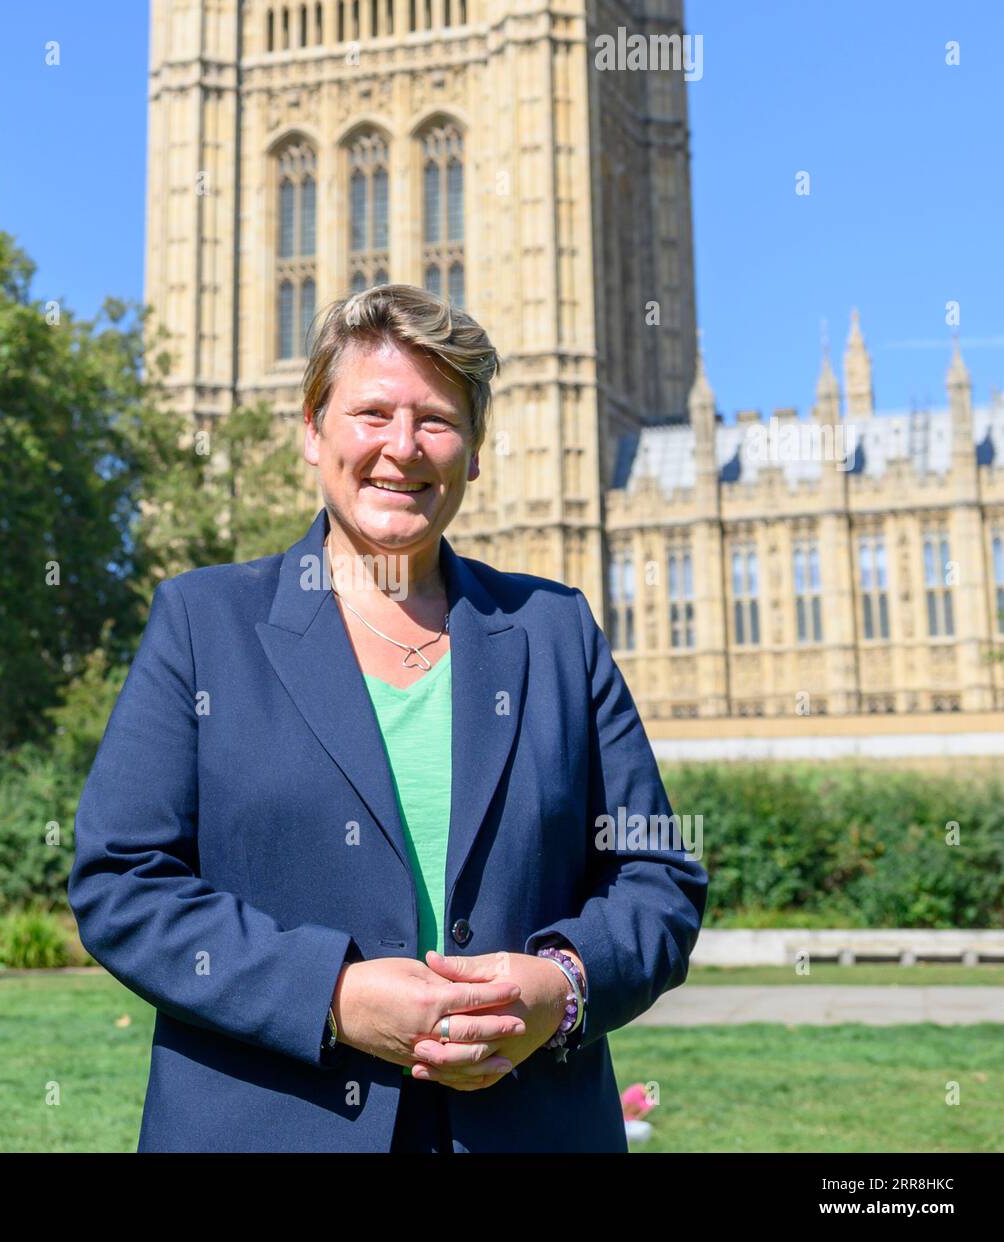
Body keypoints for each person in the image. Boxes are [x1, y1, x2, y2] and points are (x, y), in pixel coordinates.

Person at [69, 283, 708, 1152]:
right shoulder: (204, 625)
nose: (401, 448)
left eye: (437, 421)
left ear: (474, 453)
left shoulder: (555, 631)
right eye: (372, 412)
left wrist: (561, 987)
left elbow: (656, 880)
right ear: (312, 430)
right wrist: (330, 996)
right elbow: (122, 882)